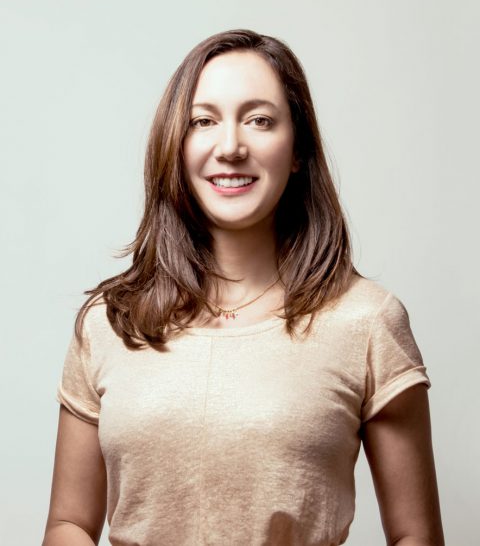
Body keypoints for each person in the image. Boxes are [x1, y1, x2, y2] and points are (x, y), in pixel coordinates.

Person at [43, 29, 444, 546]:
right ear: (175, 145)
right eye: (203, 121)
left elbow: (416, 535)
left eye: (260, 120)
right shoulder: (109, 321)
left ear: (297, 149)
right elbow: (69, 524)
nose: (230, 147)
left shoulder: (367, 320)